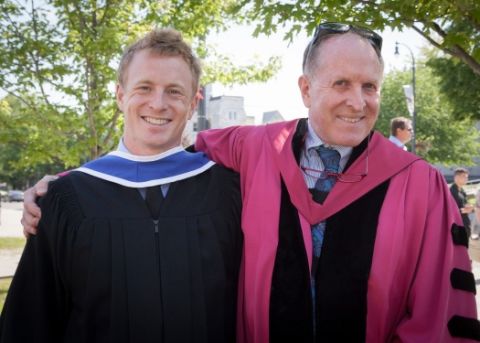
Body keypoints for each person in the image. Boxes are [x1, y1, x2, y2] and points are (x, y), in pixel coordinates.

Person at [21, 23, 480, 342]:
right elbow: (148, 157)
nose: (356, 102)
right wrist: (66, 188)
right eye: (340, 83)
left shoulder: (419, 184)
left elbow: (441, 311)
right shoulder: (255, 148)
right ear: (305, 89)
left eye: (370, 87)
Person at [0, 29, 242, 343]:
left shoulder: (228, 193)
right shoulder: (65, 200)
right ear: (120, 95)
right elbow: (31, 320)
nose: (158, 103)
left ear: (193, 103)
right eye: (144, 87)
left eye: (174, 91)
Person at [450, 168, 475, 239]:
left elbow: (465, 205)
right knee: (458, 249)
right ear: (456, 177)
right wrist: (463, 210)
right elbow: (449, 210)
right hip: (457, 226)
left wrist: (470, 208)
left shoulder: (462, 191)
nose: (466, 179)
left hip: (465, 224)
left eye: (467, 177)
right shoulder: (451, 192)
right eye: (464, 176)